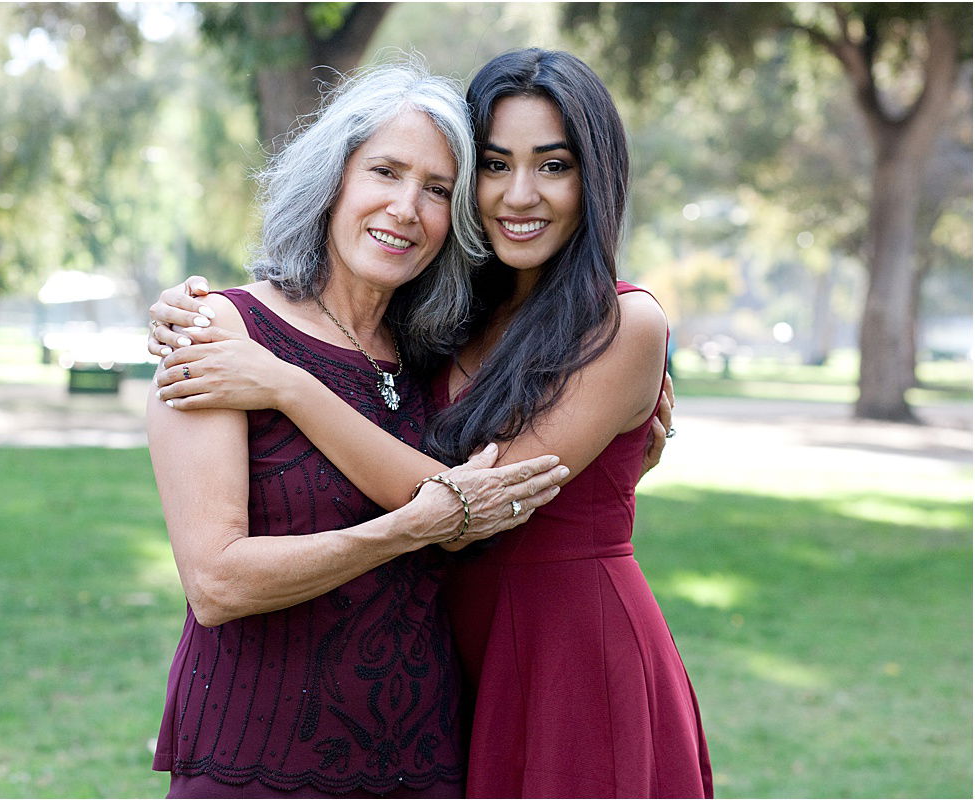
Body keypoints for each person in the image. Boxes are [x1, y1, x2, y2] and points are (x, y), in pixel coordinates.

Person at [148, 48, 711, 798]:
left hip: (565, 654)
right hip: (436, 673)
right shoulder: (438, 325)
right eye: (495, 165)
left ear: (595, 177)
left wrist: (289, 387)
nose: (520, 194)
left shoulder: (619, 321)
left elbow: (484, 496)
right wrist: (194, 312)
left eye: (553, 165)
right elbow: (221, 574)